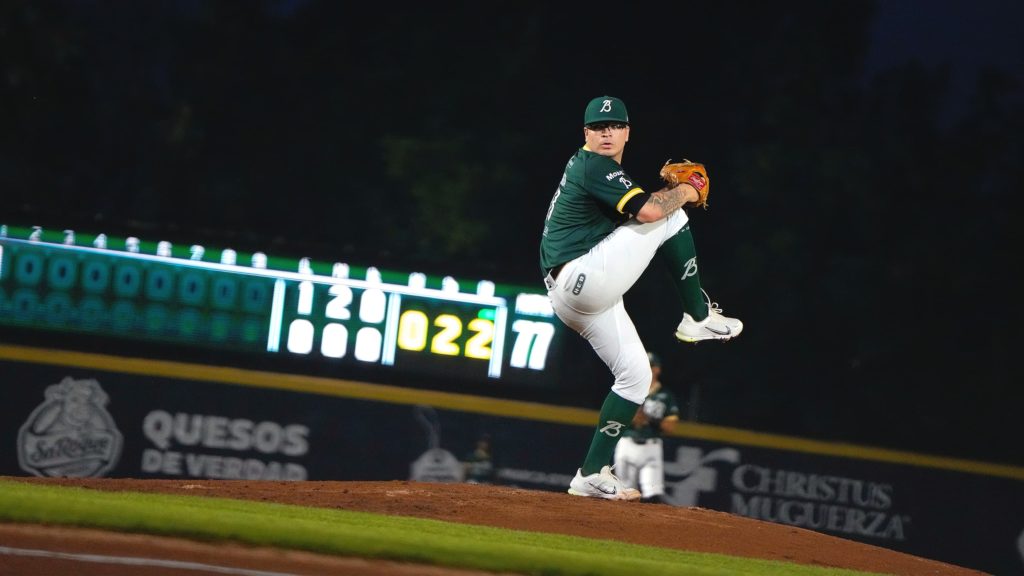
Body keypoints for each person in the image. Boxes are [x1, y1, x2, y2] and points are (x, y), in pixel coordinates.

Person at [540, 95, 742, 501]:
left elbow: (639, 211)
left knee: (636, 378)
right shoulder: (594, 165)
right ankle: (697, 316)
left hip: (575, 293)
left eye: (614, 126)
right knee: (673, 216)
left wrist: (669, 193)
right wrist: (686, 190)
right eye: (598, 127)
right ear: (586, 134)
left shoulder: (599, 172)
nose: (607, 133)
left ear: (627, 132)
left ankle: (590, 474)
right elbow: (651, 213)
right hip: (582, 277)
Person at [613, 351, 680, 503]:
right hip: (627, 444)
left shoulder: (666, 395)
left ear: (657, 369)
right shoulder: (629, 389)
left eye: (650, 366)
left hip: (651, 447)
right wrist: (629, 417)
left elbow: (670, 427)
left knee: (653, 495)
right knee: (623, 493)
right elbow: (614, 417)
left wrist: (648, 419)